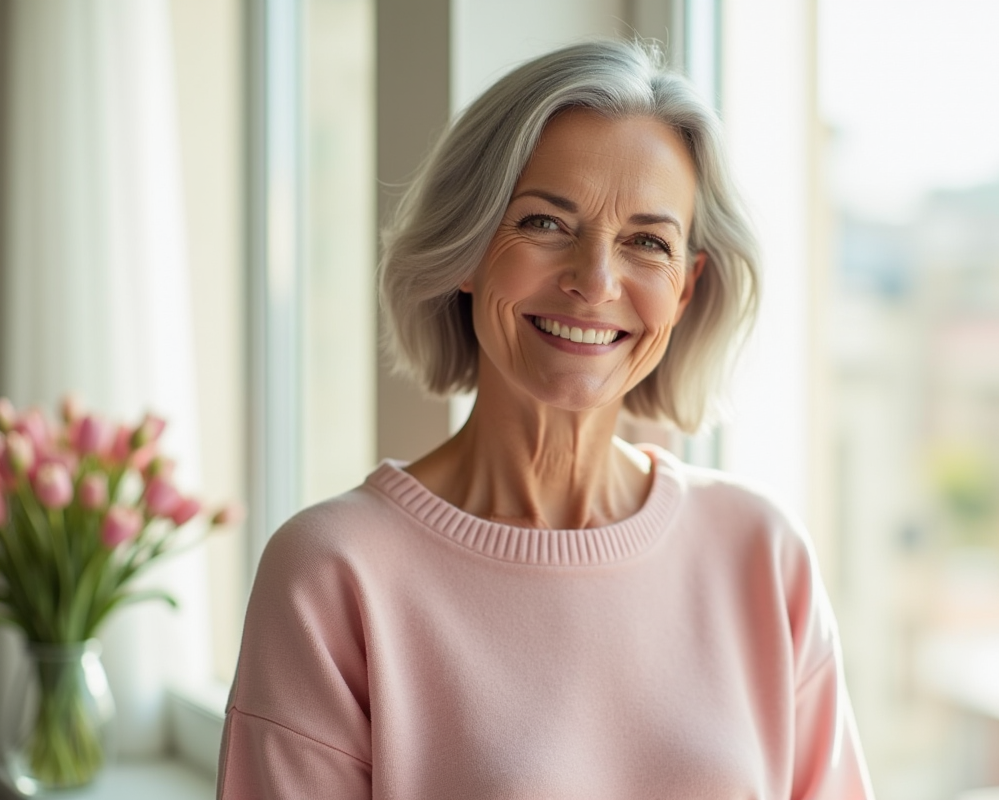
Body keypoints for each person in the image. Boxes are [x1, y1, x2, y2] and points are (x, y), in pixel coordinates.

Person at [217, 38, 873, 799]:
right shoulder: (333, 573)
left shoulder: (763, 553)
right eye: (546, 224)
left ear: (687, 288)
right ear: (468, 248)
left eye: (647, 242)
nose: (596, 282)